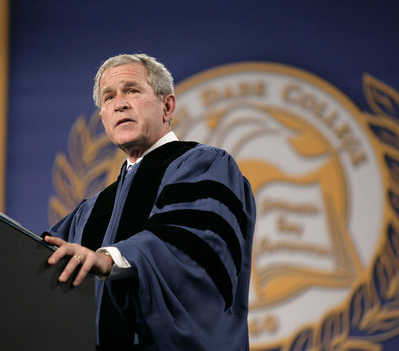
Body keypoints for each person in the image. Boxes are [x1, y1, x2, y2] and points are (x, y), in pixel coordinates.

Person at [43, 53, 256, 351]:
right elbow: (40, 261)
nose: (120, 103)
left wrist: (110, 259)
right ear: (103, 117)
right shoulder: (90, 211)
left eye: (132, 90)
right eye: (109, 97)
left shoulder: (206, 166)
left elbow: (195, 243)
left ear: (167, 106)